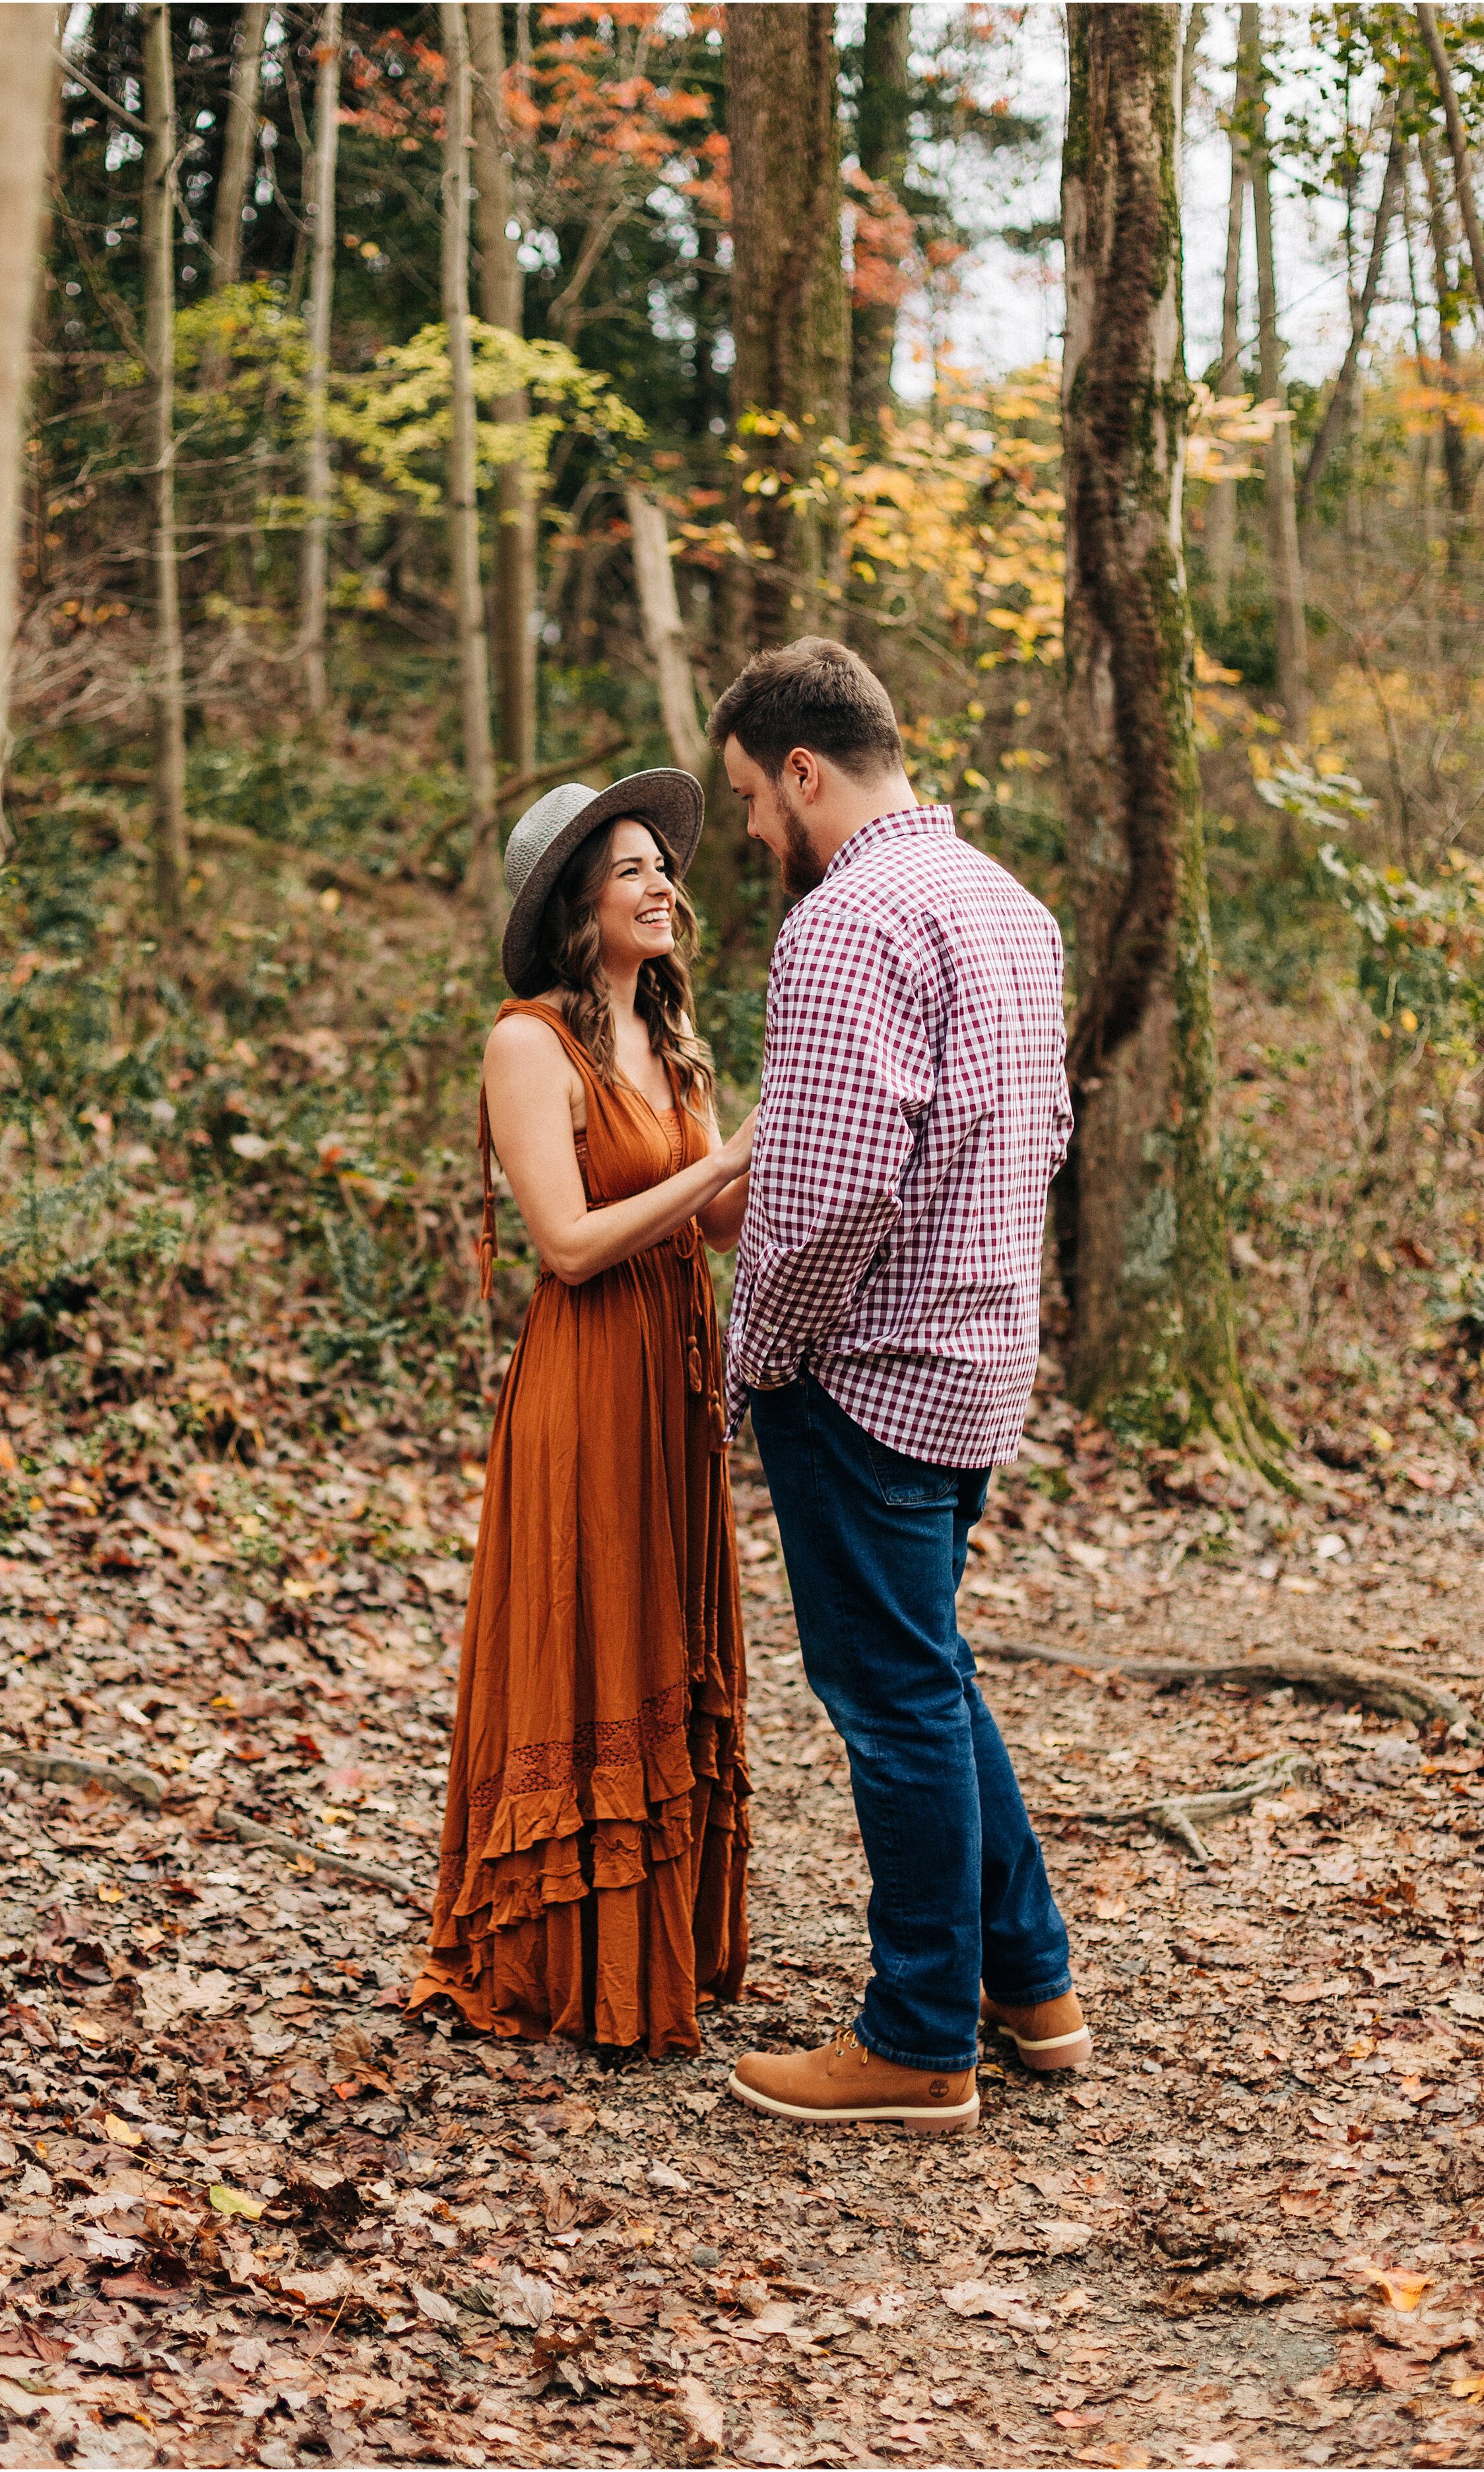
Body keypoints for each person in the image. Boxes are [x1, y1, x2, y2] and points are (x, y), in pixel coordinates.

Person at [711, 639, 1090, 2135]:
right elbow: (1043, 1135)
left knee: (889, 1700)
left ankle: (918, 2035)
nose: (750, 834)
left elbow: (830, 1193)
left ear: (804, 770)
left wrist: (760, 1356)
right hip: (978, 1356)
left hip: (866, 1372)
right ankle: (1030, 1984)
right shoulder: (1012, 906)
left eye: (750, 796)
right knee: (929, 1672)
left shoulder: (845, 923)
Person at [408, 769, 756, 2058]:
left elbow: (716, 1221)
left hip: (673, 1379)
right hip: (585, 1379)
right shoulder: (524, 1044)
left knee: (659, 1632)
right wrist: (717, 1163)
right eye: (630, 868)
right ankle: (562, 1961)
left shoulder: (669, 1037)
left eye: (662, 863)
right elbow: (562, 1244)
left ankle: (651, 1948)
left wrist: (787, 1150)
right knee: (589, 1626)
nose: (662, 882)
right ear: (573, 900)